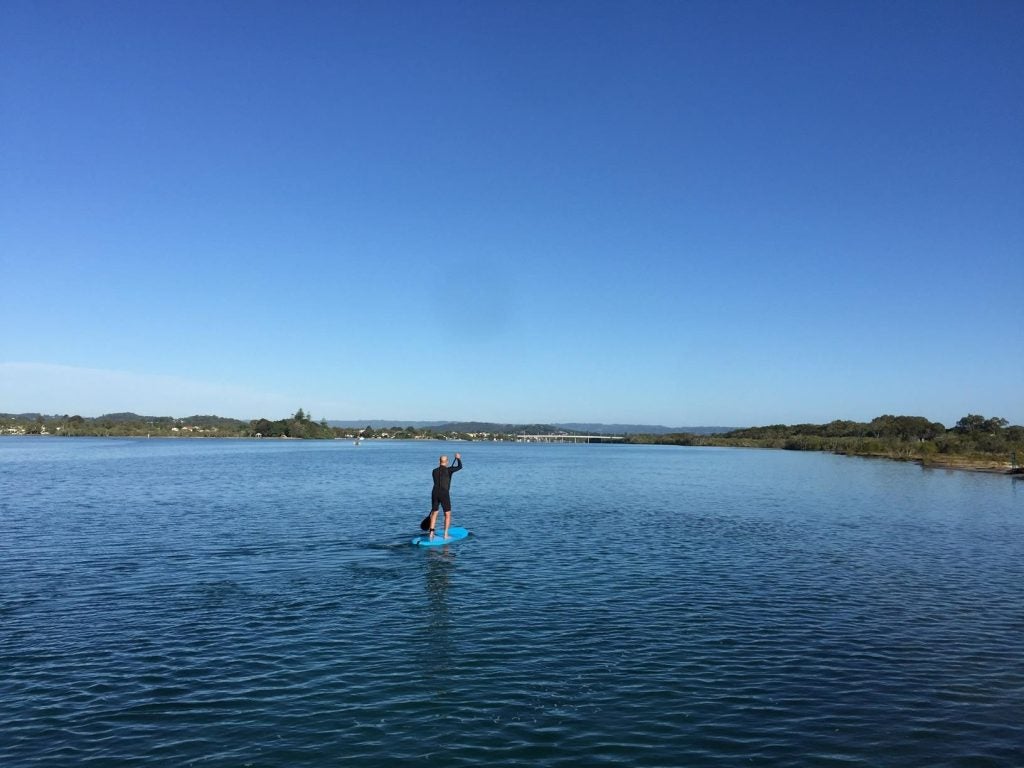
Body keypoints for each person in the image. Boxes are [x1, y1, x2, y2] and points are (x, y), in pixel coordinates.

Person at [428, 452, 462, 540]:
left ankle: (431, 534)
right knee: (447, 514)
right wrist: (458, 458)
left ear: (439, 461)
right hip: (444, 494)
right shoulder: (449, 470)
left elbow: (442, 474)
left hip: (434, 493)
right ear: (447, 462)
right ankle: (445, 534)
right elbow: (459, 467)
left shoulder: (434, 471)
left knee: (434, 513)